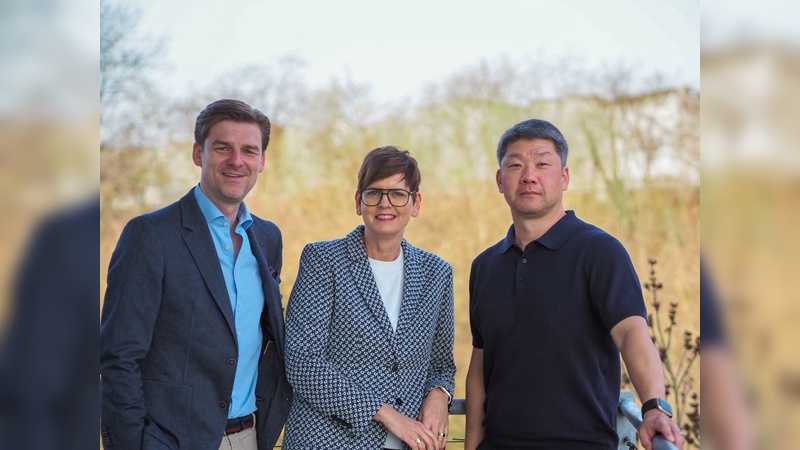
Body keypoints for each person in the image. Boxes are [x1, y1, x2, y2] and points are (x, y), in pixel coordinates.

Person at [464, 119, 684, 450]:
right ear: (500, 180)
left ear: (564, 177)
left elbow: (632, 335)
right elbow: (480, 369)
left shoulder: (600, 251)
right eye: (515, 165)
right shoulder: (485, 266)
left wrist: (654, 407)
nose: (529, 175)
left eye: (542, 163)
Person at [100, 99, 292, 450]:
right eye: (222, 148)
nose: (237, 161)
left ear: (262, 161)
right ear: (197, 153)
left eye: (249, 150)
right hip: (170, 440)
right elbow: (118, 356)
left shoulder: (267, 238)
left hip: (251, 436)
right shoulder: (151, 235)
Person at [282, 146, 455, 450]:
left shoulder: (437, 273)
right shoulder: (323, 261)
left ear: (415, 203)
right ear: (358, 202)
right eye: (374, 193)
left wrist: (440, 394)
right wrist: (388, 416)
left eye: (398, 194)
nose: (385, 203)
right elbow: (303, 364)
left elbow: (441, 365)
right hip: (327, 442)